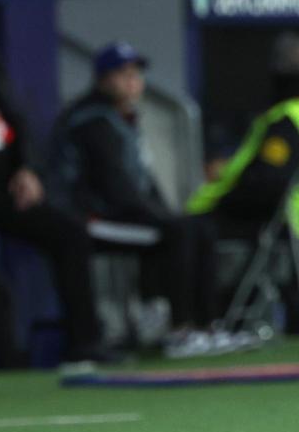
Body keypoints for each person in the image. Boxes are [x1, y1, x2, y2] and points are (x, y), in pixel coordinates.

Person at [45, 41, 221, 358]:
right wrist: (163, 218)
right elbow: (117, 190)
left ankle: (206, 327)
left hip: (121, 213)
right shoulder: (91, 119)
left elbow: (143, 186)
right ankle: (178, 330)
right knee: (177, 230)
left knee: (199, 227)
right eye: (123, 74)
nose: (132, 81)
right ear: (103, 79)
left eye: (136, 74)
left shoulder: (124, 118)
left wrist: (164, 214)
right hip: (91, 218)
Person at [187, 32, 299, 283]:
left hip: (277, 218)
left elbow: (267, 181)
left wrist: (229, 200)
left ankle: (193, 320)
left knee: (188, 231)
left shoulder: (289, 119)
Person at [0, 51, 111, 363]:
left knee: (70, 234)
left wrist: (28, 168)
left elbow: (17, 121)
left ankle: (85, 344)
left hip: (4, 191)